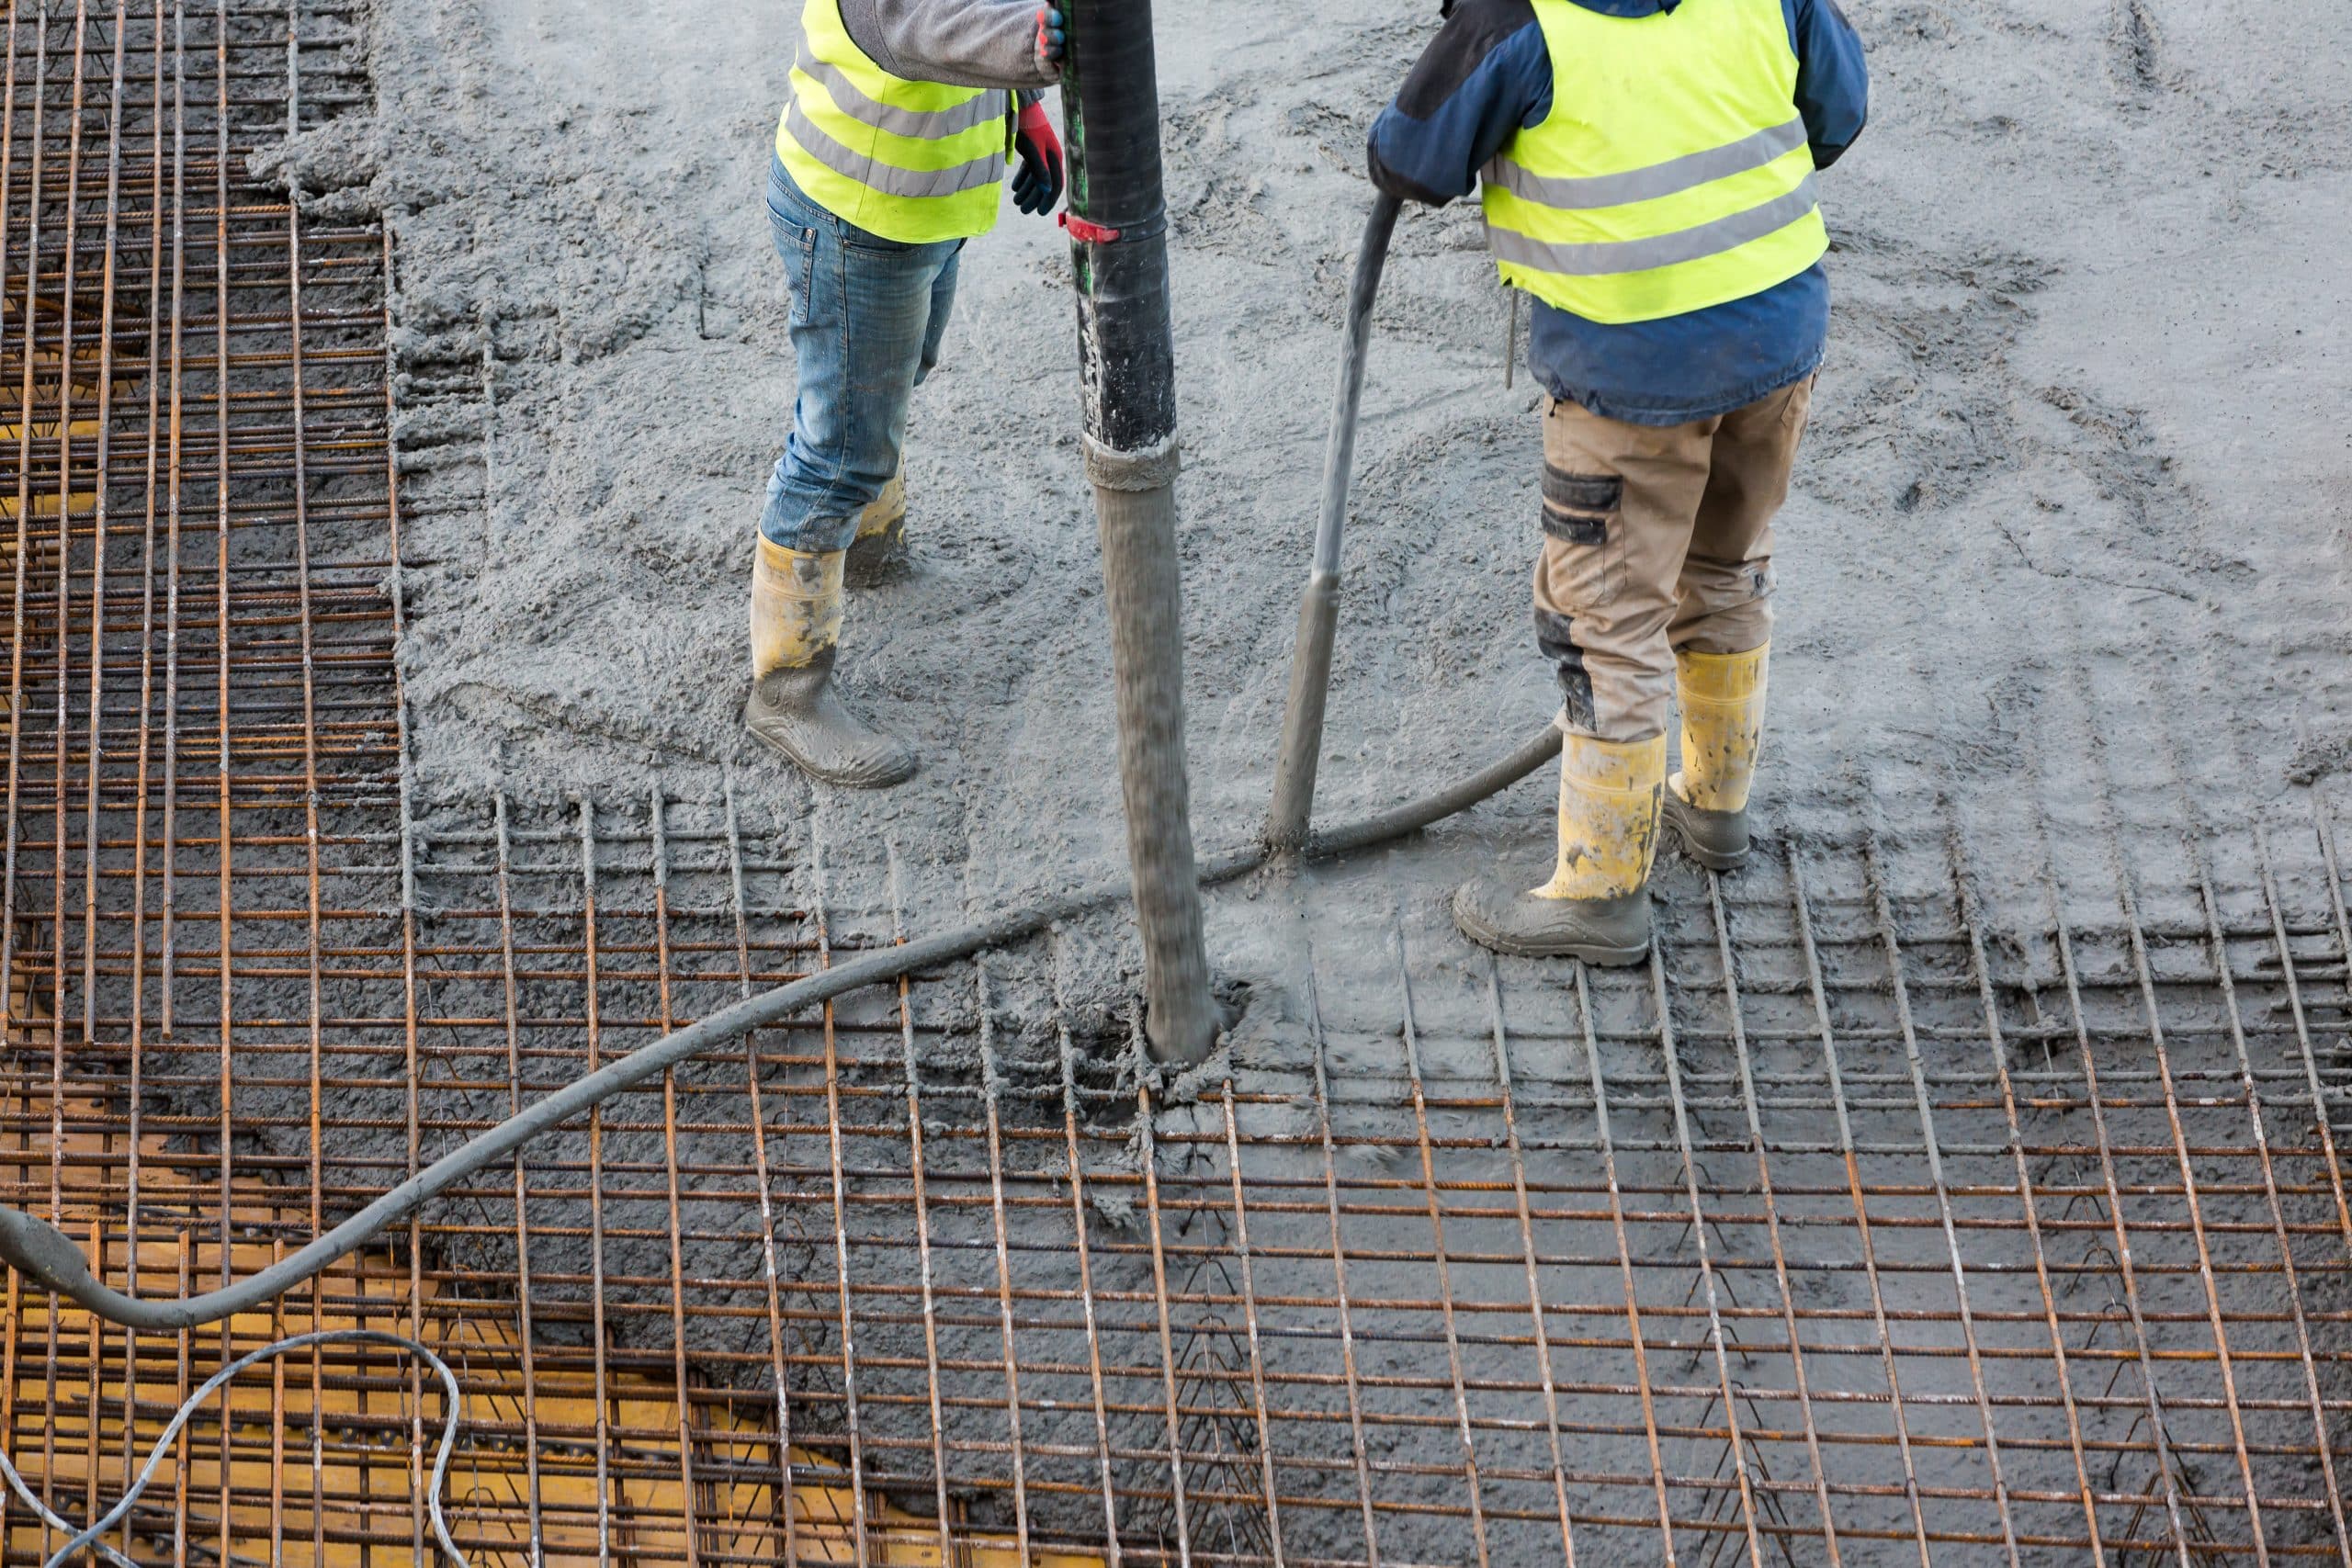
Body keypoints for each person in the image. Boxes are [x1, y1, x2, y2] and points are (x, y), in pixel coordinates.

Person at [1366, 0, 1868, 963]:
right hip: (1777, 339)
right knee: (1725, 568)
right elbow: (1835, 118)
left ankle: (1599, 893)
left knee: (1608, 626)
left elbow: (1410, 158)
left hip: (1630, 381)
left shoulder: (1520, 23)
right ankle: (1713, 807)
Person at [751, 1, 1069, 788]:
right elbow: (904, 21)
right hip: (857, 212)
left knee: (895, 380)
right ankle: (787, 691)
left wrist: (1017, 105)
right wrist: (1023, 48)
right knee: (841, 452)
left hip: (919, 206)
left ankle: (867, 548)